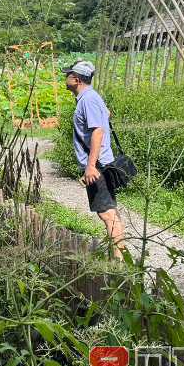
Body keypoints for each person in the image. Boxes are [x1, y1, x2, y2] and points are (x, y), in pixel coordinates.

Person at [64, 61, 126, 259]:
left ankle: (119, 263)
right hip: (101, 163)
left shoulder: (88, 99)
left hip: (98, 165)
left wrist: (90, 166)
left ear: (77, 79)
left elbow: (97, 132)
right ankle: (120, 256)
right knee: (108, 211)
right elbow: (105, 115)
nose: (65, 77)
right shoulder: (91, 97)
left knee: (107, 213)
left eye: (68, 74)